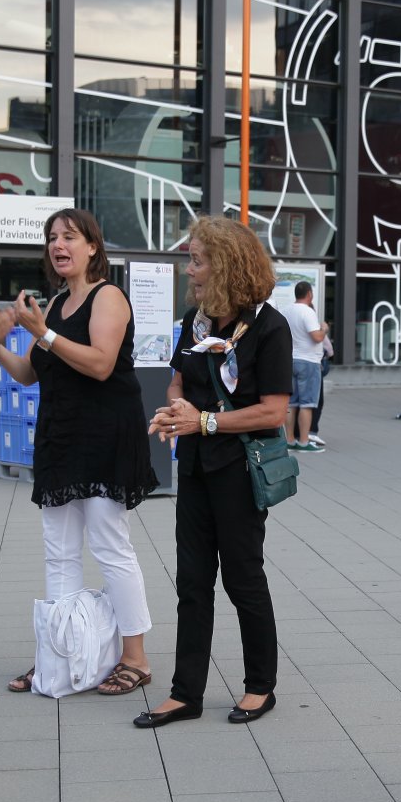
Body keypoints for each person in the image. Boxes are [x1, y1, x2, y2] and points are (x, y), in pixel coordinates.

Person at [0, 208, 159, 698]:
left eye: (68, 236)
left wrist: (42, 332)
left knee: (109, 545)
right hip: (60, 438)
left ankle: (135, 658)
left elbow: (102, 364)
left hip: (106, 436)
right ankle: (59, 655)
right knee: (58, 550)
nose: (58, 245)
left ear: (92, 246)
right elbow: (30, 372)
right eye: (51, 237)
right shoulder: (57, 302)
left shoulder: (109, 297)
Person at [140, 215, 291, 728]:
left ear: (226, 265)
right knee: (191, 582)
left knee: (243, 578)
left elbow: (273, 411)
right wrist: (175, 410)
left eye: (197, 260)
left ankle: (260, 686)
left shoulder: (269, 327)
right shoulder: (195, 321)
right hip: (196, 467)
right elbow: (177, 381)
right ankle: (186, 693)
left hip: (239, 469)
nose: (190, 270)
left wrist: (203, 421)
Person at [281, 281, 326, 452]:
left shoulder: (286, 310)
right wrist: (324, 329)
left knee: (291, 403)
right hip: (308, 361)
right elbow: (317, 337)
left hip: (290, 360)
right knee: (307, 403)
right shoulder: (307, 311)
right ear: (309, 294)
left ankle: (290, 440)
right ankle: (304, 441)